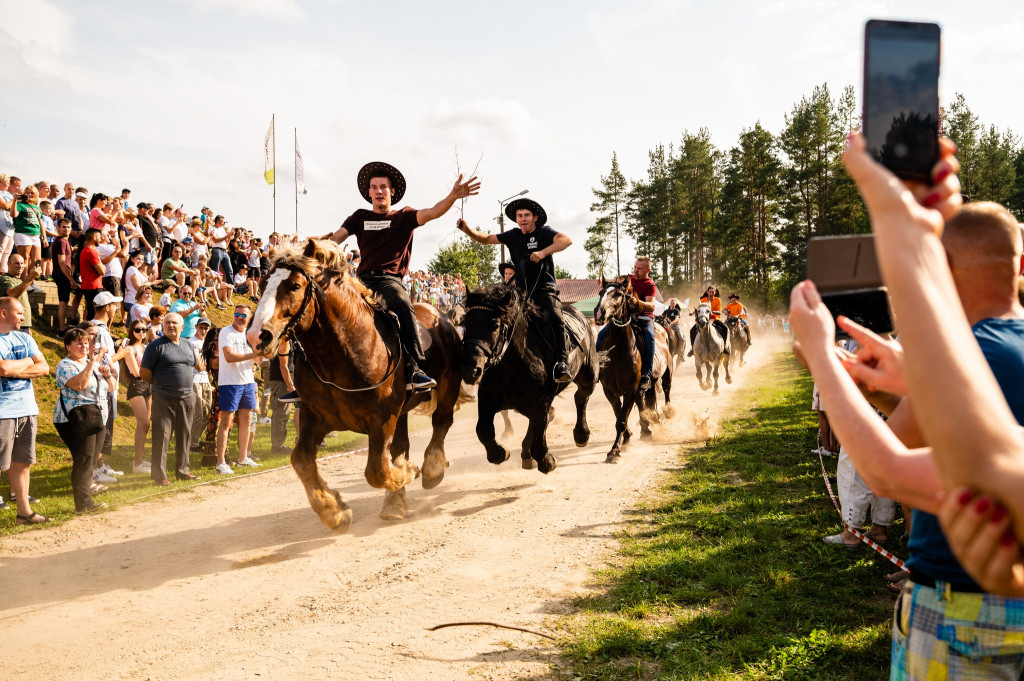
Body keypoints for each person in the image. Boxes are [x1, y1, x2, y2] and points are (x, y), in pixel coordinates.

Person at [326, 162, 480, 391]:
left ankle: (415, 369)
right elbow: (334, 238)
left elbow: (433, 212)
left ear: (392, 191)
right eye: (374, 187)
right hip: (360, 282)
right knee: (325, 307)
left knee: (402, 305)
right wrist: (310, 244)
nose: (379, 191)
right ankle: (312, 375)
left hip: (389, 281)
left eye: (383, 187)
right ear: (368, 192)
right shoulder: (359, 217)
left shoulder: (404, 216)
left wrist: (453, 196)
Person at [456, 197, 573, 383]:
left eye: (527, 215)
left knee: (555, 317)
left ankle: (561, 363)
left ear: (535, 217)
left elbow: (566, 240)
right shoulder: (512, 236)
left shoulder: (544, 233)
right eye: (519, 216)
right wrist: (467, 230)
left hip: (544, 291)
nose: (523, 219)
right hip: (521, 294)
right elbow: (486, 239)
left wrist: (543, 252)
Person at [0, 297, 50, 523]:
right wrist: (29, 361)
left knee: (23, 462)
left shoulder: (24, 337)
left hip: (26, 408)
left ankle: (24, 513)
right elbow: (2, 367)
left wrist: (15, 368)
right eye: (19, 313)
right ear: (3, 313)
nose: (23, 317)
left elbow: (45, 368)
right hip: (3, 411)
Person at [54, 326, 113, 514]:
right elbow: (78, 385)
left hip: (98, 417)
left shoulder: (94, 365)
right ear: (68, 347)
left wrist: (107, 374)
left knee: (92, 459)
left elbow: (110, 389)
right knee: (84, 459)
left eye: (86, 342)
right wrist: (91, 363)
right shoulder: (65, 365)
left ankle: (85, 499)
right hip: (76, 418)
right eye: (78, 343)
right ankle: (83, 503)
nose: (84, 346)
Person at [140, 312, 198, 484]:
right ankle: (160, 476)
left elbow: (192, 365)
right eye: (167, 323)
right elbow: (144, 372)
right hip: (164, 397)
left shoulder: (188, 345)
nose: (171, 325)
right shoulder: (156, 346)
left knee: (185, 434)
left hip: (187, 396)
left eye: (174, 323)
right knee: (162, 436)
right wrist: (161, 385)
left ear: (182, 326)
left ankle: (182, 470)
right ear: (163, 326)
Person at [216, 305, 260, 474]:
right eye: (237, 314)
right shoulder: (226, 332)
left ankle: (243, 458)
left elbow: (259, 360)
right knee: (226, 422)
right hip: (230, 382)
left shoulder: (250, 335)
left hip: (247, 381)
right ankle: (220, 462)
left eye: (243, 315)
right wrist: (253, 355)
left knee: (247, 421)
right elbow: (229, 357)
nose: (239, 317)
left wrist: (265, 352)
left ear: (249, 318)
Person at [120, 319, 152, 474]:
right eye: (138, 330)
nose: (141, 333)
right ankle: (137, 463)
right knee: (143, 423)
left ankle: (139, 460)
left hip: (149, 386)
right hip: (137, 386)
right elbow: (136, 371)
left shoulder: (146, 347)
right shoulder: (129, 349)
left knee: (145, 426)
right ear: (132, 331)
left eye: (144, 330)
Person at [266, 336, 299, 455]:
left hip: (277, 380)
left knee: (279, 413)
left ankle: (277, 445)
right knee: (282, 413)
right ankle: (278, 446)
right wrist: (291, 387)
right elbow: (283, 366)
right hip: (282, 381)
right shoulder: (284, 341)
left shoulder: (280, 339)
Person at [189, 317, 213, 454]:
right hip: (194, 380)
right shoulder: (191, 343)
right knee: (197, 412)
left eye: (206, 328)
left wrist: (208, 366)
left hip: (206, 380)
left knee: (207, 412)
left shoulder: (207, 343)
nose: (203, 330)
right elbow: (199, 366)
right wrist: (208, 366)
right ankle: (192, 443)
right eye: (201, 327)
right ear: (196, 327)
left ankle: (196, 439)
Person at [0, 253, 41, 333]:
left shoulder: (20, 281)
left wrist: (28, 327)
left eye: (22, 263)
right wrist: (31, 278)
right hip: (12, 325)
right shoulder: (5, 278)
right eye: (16, 263)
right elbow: (12, 295)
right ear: (8, 264)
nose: (20, 266)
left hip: (23, 325)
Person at [10, 183, 43, 277]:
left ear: (36, 195)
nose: (30, 194)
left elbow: (41, 223)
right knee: (24, 259)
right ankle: (24, 281)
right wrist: (14, 201)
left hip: (36, 234)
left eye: (32, 193)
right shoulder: (20, 204)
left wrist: (44, 237)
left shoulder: (37, 207)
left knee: (37, 260)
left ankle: (31, 282)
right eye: (27, 192)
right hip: (23, 233)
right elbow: (13, 214)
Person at [688, 284, 729, 355]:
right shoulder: (703, 300)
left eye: (712, 292)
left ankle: (724, 347)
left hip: (715, 319)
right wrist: (692, 313)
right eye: (710, 292)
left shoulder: (718, 300)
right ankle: (692, 348)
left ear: (715, 293)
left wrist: (711, 312)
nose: (711, 293)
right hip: (704, 319)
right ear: (707, 292)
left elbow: (719, 312)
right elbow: (698, 309)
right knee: (692, 330)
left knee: (725, 328)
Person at [51, 218, 75, 333]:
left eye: (68, 227)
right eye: (64, 227)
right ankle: (61, 330)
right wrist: (70, 279)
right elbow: (62, 261)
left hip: (62, 274)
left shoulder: (64, 241)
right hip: (62, 274)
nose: (66, 229)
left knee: (64, 301)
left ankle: (62, 328)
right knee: (63, 302)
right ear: (58, 228)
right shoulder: (61, 241)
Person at [79, 228, 106, 320]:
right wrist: (102, 265)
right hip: (93, 286)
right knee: (94, 313)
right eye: (99, 237)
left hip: (91, 285)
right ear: (94, 237)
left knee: (91, 311)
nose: (101, 239)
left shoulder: (88, 250)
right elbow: (102, 271)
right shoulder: (90, 251)